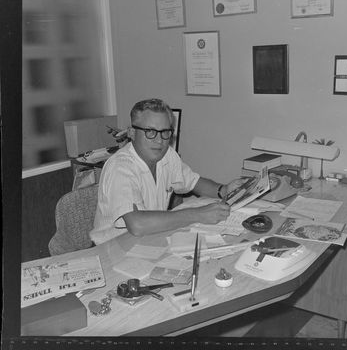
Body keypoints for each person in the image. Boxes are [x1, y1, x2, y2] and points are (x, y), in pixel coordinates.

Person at [90, 98, 244, 245]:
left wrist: (224, 190)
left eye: (165, 132)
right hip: (112, 249)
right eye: (150, 131)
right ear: (131, 132)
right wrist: (198, 214)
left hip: (148, 241)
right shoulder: (120, 167)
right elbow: (137, 224)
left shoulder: (167, 155)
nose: (159, 141)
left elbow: (194, 182)